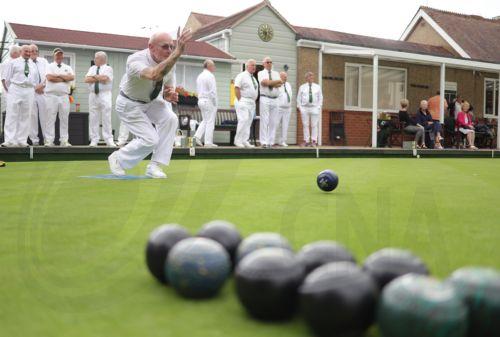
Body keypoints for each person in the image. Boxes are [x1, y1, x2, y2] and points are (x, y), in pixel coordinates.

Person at [108, 29, 192, 178]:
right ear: (151, 46)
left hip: (151, 101)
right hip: (129, 104)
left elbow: (167, 89)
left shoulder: (170, 63)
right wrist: (177, 53)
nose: (170, 50)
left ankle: (154, 166)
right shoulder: (135, 60)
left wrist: (169, 95)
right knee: (150, 139)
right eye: (165, 46)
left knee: (170, 119)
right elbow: (154, 75)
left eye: (172, 47)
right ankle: (118, 159)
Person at [1, 45, 37, 147]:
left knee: (26, 116)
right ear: (21, 51)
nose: (28, 53)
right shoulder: (13, 62)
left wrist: (31, 89)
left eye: (30, 52)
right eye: (26, 51)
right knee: (12, 114)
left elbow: (34, 79)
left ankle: (22, 140)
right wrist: (10, 91)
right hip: (16, 88)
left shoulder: (32, 64)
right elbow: (6, 79)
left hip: (29, 90)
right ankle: (9, 140)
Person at [44, 48, 75, 147]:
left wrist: (58, 75)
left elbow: (71, 78)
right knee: (50, 118)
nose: (59, 57)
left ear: (63, 56)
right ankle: (49, 140)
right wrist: (64, 78)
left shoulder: (68, 67)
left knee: (64, 118)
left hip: (64, 96)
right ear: (54, 56)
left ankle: (64, 140)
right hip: (51, 95)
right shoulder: (49, 66)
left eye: (60, 55)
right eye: (57, 55)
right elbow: (50, 78)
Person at [85, 51, 116, 147]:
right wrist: (98, 77)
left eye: (96, 58)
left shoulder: (108, 68)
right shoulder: (92, 68)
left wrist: (93, 76)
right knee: (93, 117)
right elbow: (86, 79)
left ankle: (108, 139)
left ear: (102, 59)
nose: (94, 60)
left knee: (106, 116)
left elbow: (105, 79)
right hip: (93, 94)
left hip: (104, 94)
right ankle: (94, 139)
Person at [257, 57, 282, 148]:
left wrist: (271, 82)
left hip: (275, 98)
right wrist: (275, 82)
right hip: (265, 98)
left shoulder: (276, 73)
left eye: (271, 62)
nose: (269, 63)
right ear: (263, 64)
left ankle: (271, 142)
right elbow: (264, 83)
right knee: (265, 120)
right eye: (267, 62)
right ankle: (263, 142)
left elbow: (280, 84)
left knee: (273, 121)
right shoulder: (261, 73)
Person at [234, 59, 258, 148]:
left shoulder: (253, 78)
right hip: (243, 100)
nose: (254, 67)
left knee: (248, 122)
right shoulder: (242, 75)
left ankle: (245, 140)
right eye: (252, 65)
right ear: (247, 66)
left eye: (255, 65)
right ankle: (238, 140)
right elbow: (236, 87)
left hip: (251, 102)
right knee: (243, 119)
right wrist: (240, 100)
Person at [194, 59, 218, 147]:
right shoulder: (210, 76)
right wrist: (215, 103)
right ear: (209, 66)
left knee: (205, 120)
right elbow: (212, 91)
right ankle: (208, 142)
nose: (214, 67)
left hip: (201, 100)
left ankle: (196, 137)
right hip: (208, 100)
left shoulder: (200, 76)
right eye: (213, 65)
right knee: (210, 121)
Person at [28, 44, 49, 146]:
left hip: (43, 91)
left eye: (36, 50)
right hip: (31, 93)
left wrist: (43, 85)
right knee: (32, 116)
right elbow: (25, 78)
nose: (34, 52)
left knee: (45, 116)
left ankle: (47, 139)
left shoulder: (44, 61)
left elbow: (48, 75)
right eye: (32, 50)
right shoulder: (26, 62)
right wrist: (35, 88)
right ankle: (34, 140)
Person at [297, 72, 323, 147]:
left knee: (314, 125)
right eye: (309, 77)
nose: (311, 78)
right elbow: (298, 98)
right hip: (304, 108)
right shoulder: (302, 87)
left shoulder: (317, 87)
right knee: (305, 125)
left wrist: (318, 107)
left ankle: (314, 141)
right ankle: (306, 141)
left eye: (312, 77)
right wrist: (300, 108)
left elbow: (320, 98)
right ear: (306, 78)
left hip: (314, 108)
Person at [276, 71, 292, 147]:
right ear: (280, 77)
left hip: (287, 108)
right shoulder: (277, 84)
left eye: (286, 76)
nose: (286, 77)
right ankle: (270, 140)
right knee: (275, 124)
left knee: (285, 125)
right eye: (284, 76)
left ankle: (282, 141)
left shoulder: (288, 84)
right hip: (279, 107)